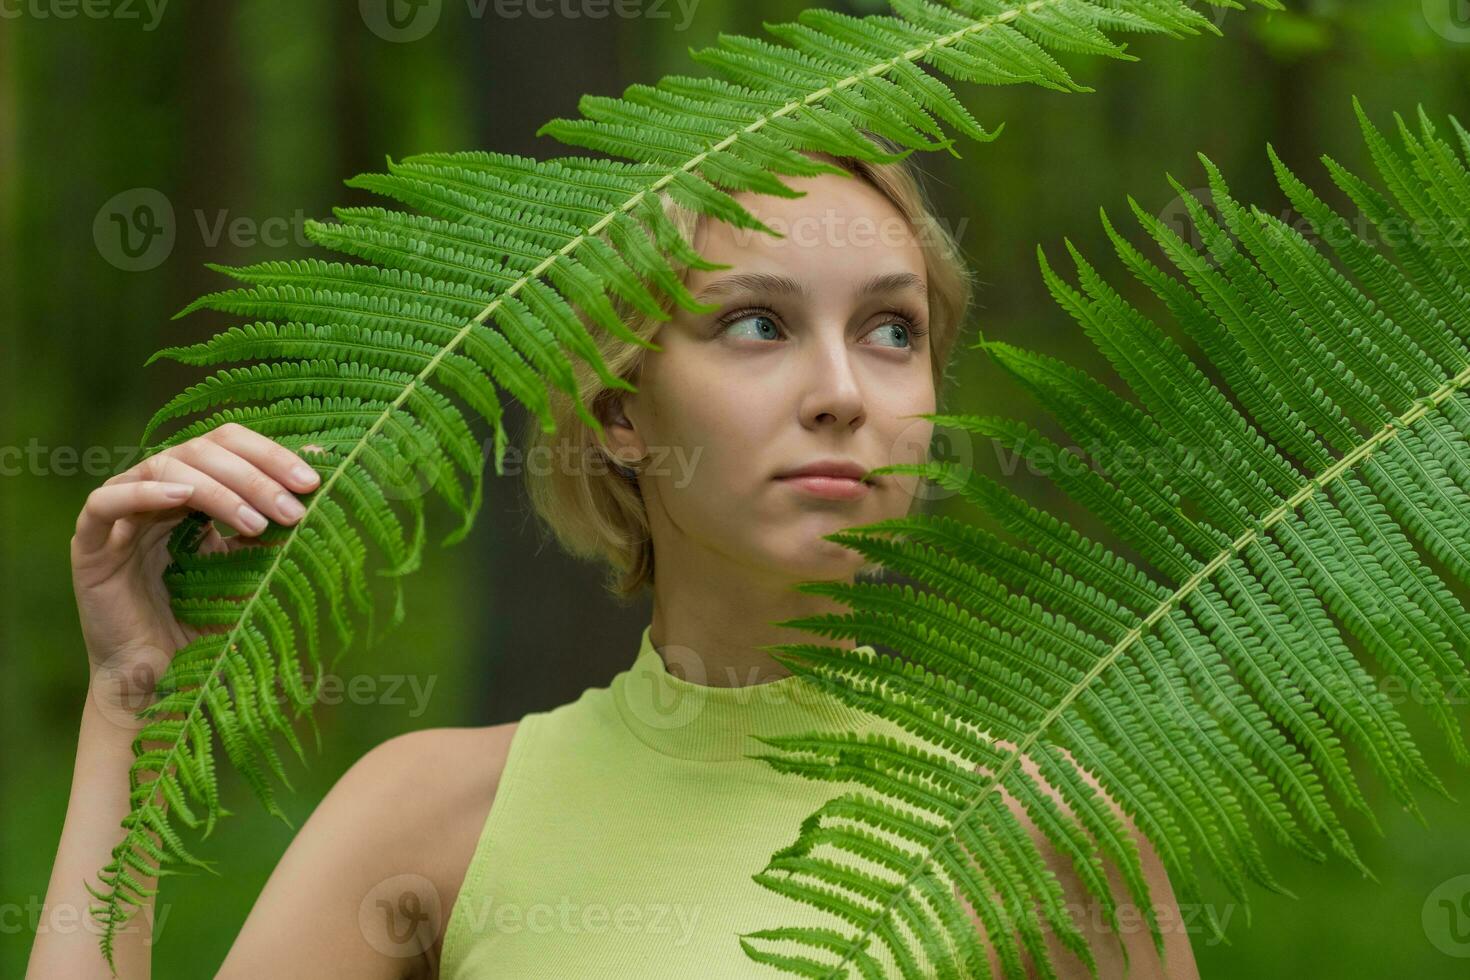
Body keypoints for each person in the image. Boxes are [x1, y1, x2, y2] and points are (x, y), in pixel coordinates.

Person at [32, 139, 1199, 978]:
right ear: (619, 409)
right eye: (759, 323)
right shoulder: (434, 815)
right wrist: (131, 705)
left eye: (893, 330)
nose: (846, 393)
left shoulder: (1048, 827)